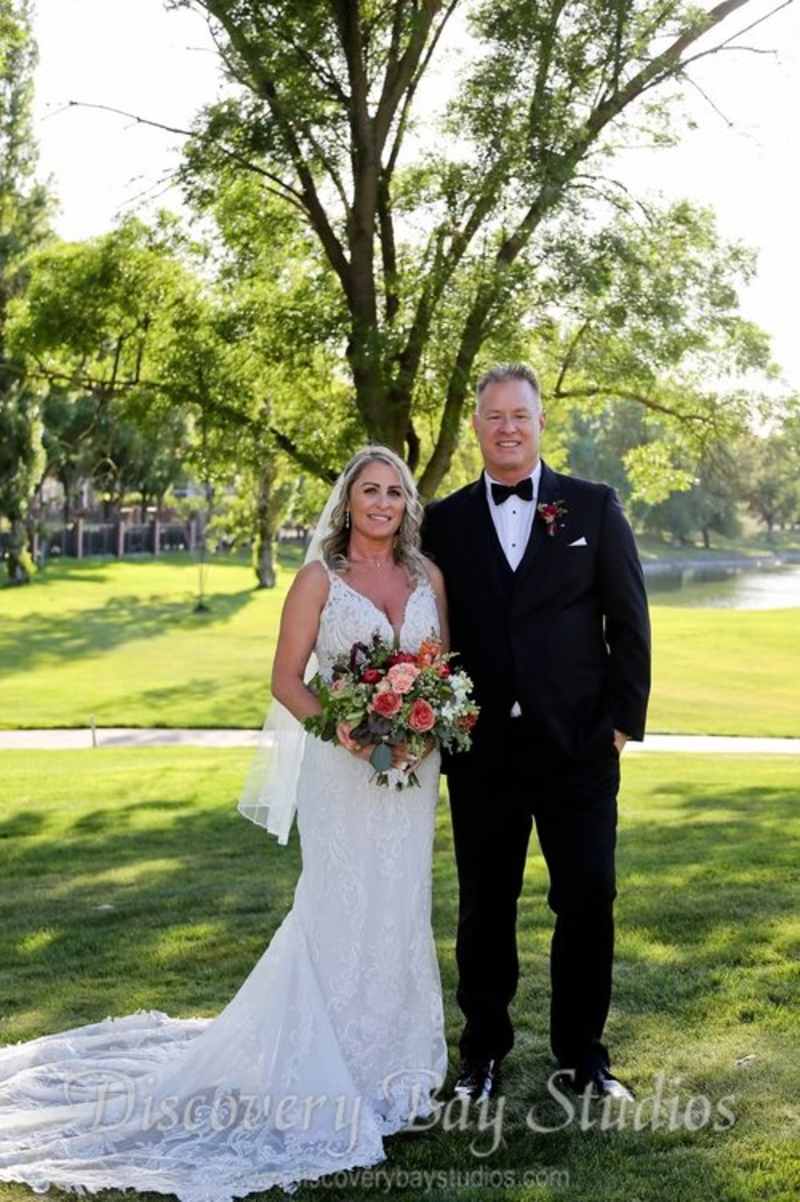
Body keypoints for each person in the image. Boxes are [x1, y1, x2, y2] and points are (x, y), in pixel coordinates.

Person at [0, 446, 450, 1201]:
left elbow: (439, 671)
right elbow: (285, 679)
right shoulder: (319, 580)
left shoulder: (428, 577)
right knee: (339, 905)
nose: (382, 503)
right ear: (348, 501)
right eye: (369, 490)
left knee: (401, 904)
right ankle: (328, 1067)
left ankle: (397, 1067)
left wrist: (421, 728)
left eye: (394, 492)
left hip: (413, 770)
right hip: (341, 770)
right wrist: (346, 731)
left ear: (407, 504)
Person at [422, 363, 651, 1105]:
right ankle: (481, 1056)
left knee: (588, 899)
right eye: (493, 416)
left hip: (579, 748)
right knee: (484, 908)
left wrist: (620, 726)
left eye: (519, 415)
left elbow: (630, 622)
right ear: (476, 426)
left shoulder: (593, 505)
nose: (507, 428)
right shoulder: (443, 521)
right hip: (483, 753)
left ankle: (583, 1059)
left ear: (541, 422)